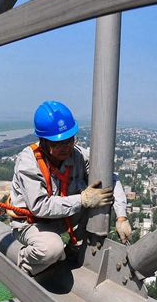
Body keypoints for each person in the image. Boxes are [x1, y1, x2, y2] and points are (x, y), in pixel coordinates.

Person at [10, 100, 131, 276]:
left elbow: (110, 180)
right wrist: (83, 200)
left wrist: (121, 217)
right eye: (58, 144)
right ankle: (26, 263)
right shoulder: (29, 163)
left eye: (70, 141)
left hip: (60, 219)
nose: (66, 148)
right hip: (31, 223)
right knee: (52, 249)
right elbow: (39, 206)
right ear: (43, 141)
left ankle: (75, 249)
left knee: (99, 196)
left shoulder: (77, 155)